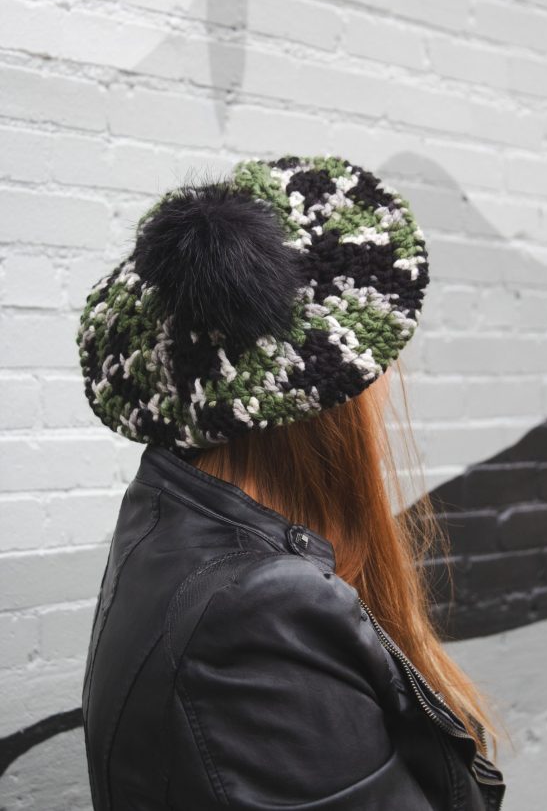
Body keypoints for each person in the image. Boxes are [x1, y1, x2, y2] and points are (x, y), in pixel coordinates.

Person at [77, 154, 507, 810]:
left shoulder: (167, 518)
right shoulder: (261, 612)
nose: (388, 387)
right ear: (328, 403)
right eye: (376, 367)